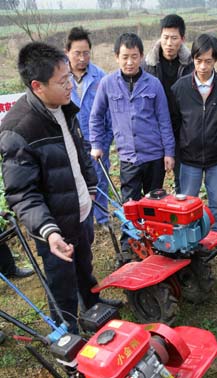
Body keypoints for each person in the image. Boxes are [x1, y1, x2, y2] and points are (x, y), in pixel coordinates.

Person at [0, 42, 121, 334]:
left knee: (84, 267)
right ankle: (69, 336)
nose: (70, 85)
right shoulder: (18, 130)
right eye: (63, 80)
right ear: (37, 86)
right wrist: (49, 231)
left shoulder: (64, 106)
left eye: (69, 77)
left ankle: (93, 308)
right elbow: (22, 194)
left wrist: (90, 187)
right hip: (54, 226)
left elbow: (79, 151)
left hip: (80, 209)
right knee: (61, 284)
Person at [89, 33, 175, 252]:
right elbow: (96, 116)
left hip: (154, 155)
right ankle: (129, 244)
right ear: (117, 57)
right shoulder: (107, 84)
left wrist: (169, 153)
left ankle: (157, 242)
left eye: (134, 57)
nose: (130, 62)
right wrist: (96, 144)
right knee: (130, 204)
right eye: (125, 57)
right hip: (128, 157)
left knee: (154, 202)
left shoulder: (153, 84)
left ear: (141, 57)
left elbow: (164, 120)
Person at [171, 33, 217, 232]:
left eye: (208, 61)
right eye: (199, 61)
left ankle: (214, 237)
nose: (203, 67)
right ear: (193, 59)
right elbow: (176, 122)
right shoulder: (180, 88)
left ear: (215, 60)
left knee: (216, 201)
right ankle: (189, 239)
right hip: (189, 157)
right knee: (188, 203)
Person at [65, 26, 113, 232]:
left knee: (100, 180)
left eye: (86, 53)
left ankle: (102, 217)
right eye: (77, 53)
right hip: (71, 141)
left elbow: (109, 113)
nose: (82, 58)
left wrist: (104, 140)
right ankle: (84, 219)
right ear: (67, 52)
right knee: (76, 181)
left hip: (96, 141)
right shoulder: (60, 77)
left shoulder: (100, 77)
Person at [143, 14, 194, 193]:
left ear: (182, 39)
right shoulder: (147, 65)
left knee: (183, 181)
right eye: (165, 37)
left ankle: (182, 219)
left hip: (183, 130)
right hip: (155, 131)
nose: (169, 43)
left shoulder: (192, 65)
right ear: (160, 37)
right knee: (154, 185)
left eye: (174, 38)